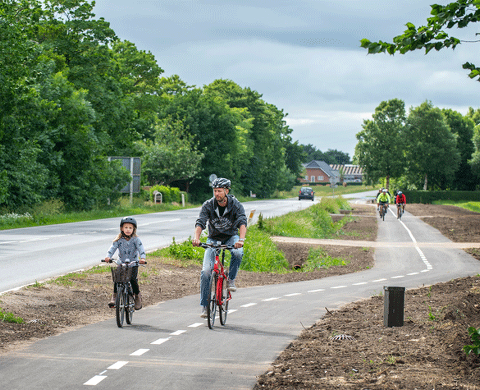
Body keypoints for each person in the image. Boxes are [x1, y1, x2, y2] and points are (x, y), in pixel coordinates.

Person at [192, 178, 247, 318]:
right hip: (213, 239)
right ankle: (205, 306)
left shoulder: (236, 205)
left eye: (219, 191)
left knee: (238, 253)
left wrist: (241, 240)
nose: (217, 194)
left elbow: (242, 222)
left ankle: (231, 279)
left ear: (226, 191)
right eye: (215, 191)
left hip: (231, 237)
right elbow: (200, 222)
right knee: (205, 272)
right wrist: (196, 238)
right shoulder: (208, 205)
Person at [105, 217, 146, 310]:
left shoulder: (136, 240)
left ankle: (137, 296)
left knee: (133, 279)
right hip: (121, 263)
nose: (128, 230)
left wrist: (142, 258)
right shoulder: (118, 239)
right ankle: (115, 296)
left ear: (133, 229)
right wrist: (108, 257)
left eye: (130, 228)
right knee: (117, 278)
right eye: (126, 227)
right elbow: (112, 248)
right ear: (122, 228)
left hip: (133, 264)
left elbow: (141, 249)